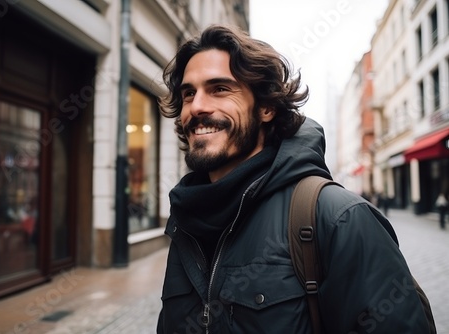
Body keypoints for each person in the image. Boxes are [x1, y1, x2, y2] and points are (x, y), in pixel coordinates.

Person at [156, 24, 432, 333]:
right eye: (188, 93)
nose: (197, 107)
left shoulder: (337, 218)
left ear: (266, 108)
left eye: (220, 89)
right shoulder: (186, 222)